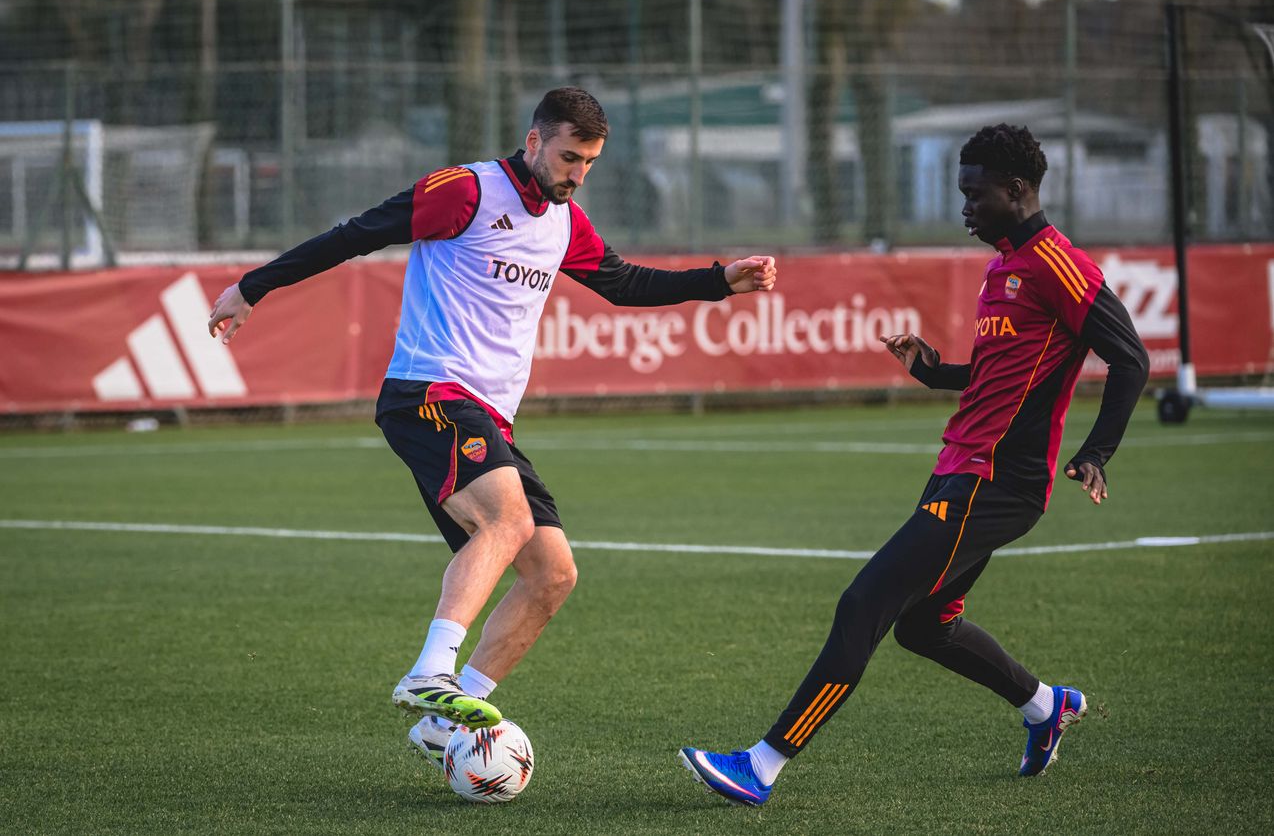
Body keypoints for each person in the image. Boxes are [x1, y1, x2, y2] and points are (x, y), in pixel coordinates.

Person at [207, 87, 777, 770]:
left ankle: (444, 726)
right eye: (570, 156)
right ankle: (430, 672)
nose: (578, 174)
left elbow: (624, 284)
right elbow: (355, 234)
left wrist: (719, 280)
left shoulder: (565, 222)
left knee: (552, 575)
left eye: (590, 162)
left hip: (488, 417)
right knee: (505, 524)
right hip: (429, 392)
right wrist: (252, 286)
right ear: (533, 141)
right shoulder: (465, 191)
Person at [679, 123, 1148, 806]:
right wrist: (933, 370)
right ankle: (1047, 706)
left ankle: (762, 764)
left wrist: (1095, 453)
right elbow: (998, 378)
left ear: (1017, 191)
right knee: (926, 626)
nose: (964, 208)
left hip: (995, 482)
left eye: (975, 194)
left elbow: (1130, 356)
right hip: (961, 470)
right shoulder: (1007, 266)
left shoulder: (1058, 263)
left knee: (863, 604)